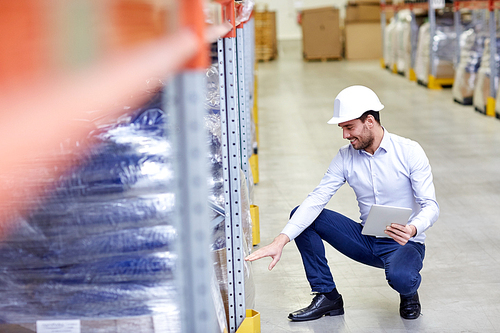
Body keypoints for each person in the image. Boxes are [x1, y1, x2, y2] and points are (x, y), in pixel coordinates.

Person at [245, 85, 439, 321]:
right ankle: (328, 296)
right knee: (303, 215)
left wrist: (412, 228)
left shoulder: (409, 152)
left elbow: (431, 205)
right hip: (367, 240)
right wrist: (281, 240)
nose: (345, 135)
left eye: (349, 127)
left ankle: (408, 292)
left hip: (405, 242)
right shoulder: (345, 156)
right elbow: (317, 198)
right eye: (342, 128)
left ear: (369, 121)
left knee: (402, 278)